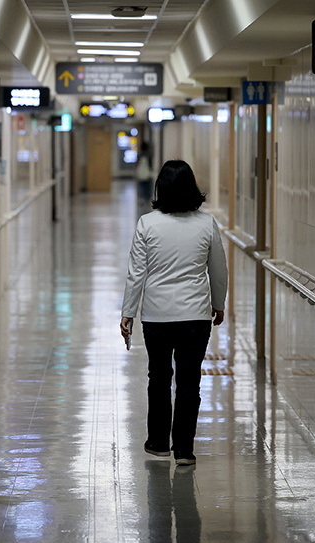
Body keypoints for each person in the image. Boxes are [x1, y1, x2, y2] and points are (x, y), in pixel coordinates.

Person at [120, 160, 228, 466]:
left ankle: (157, 442)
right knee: (189, 382)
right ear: (192, 187)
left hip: (156, 317)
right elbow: (218, 270)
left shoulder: (147, 224)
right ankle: (184, 449)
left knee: (159, 378)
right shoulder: (206, 224)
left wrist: (128, 312)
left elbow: (136, 273)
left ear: (160, 189)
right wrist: (218, 303)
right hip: (195, 316)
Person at [135, 142, 154, 210]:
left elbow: (137, 164)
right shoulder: (149, 154)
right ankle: (147, 198)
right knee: (148, 186)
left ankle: (141, 198)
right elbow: (150, 165)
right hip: (148, 173)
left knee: (141, 186)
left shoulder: (139, 155)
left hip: (140, 173)